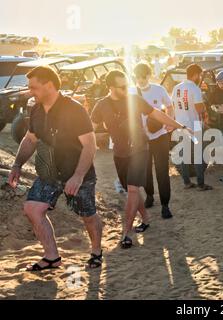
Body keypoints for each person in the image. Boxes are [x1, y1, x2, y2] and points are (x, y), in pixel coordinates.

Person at [8, 66, 103, 271]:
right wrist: (17, 164)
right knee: (32, 208)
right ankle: (52, 257)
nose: (30, 91)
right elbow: (30, 139)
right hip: (49, 173)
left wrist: (78, 176)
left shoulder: (74, 110)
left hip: (78, 173)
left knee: (87, 215)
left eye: (34, 87)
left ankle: (96, 251)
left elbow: (90, 145)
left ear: (49, 85)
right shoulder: (35, 109)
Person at [91, 70, 191, 249]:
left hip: (139, 150)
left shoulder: (134, 100)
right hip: (120, 153)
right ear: (111, 87)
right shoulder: (101, 105)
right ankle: (145, 218)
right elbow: (91, 127)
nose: (126, 89)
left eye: (127, 85)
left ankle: (126, 234)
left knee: (132, 190)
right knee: (132, 190)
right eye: (122, 87)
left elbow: (156, 114)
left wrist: (178, 125)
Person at [130, 62, 174, 219]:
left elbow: (169, 106)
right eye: (138, 77)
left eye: (144, 76)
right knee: (146, 170)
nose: (141, 80)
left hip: (160, 135)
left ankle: (165, 205)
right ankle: (149, 195)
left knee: (162, 171)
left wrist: (170, 122)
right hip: (141, 138)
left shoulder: (158, 89)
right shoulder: (131, 92)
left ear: (149, 75)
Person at [172, 64, 213, 191]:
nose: (200, 77)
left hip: (180, 123)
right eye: (199, 75)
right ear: (195, 74)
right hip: (194, 124)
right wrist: (206, 110)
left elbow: (173, 105)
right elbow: (199, 108)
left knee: (184, 154)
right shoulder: (194, 88)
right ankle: (200, 184)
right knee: (198, 154)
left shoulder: (176, 87)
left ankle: (187, 182)